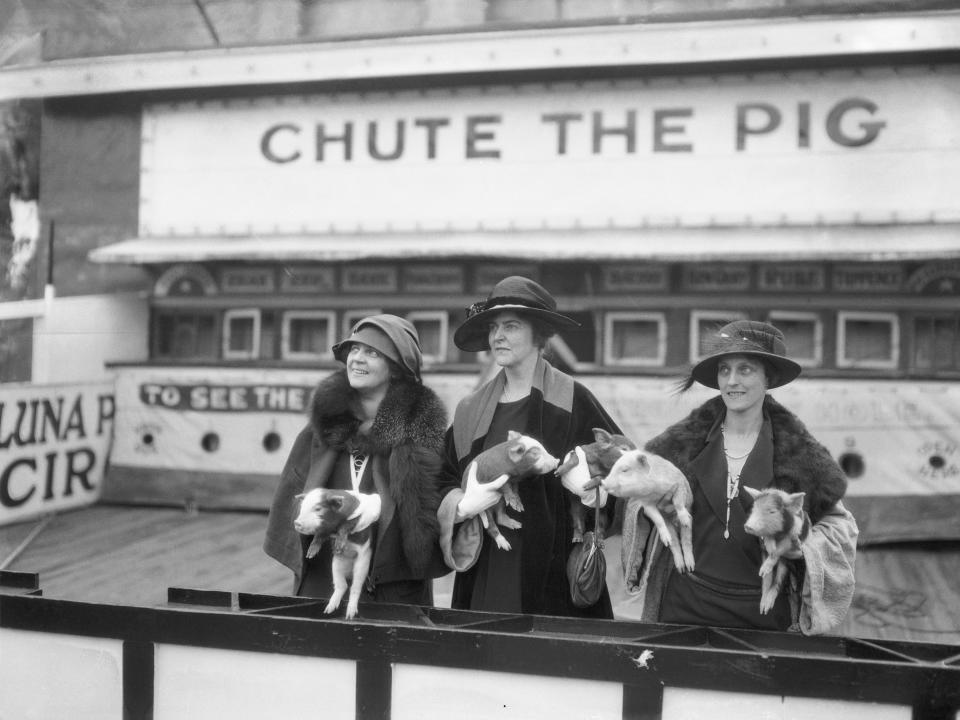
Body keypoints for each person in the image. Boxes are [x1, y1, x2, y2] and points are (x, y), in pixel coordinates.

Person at [620, 319, 858, 634]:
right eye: (724, 370)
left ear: (768, 378)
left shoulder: (801, 457)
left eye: (745, 370)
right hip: (684, 606)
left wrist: (805, 548)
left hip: (763, 614)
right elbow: (635, 499)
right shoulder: (679, 446)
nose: (732, 381)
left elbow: (841, 527)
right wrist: (650, 506)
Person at [436, 276, 622, 618]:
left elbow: (622, 464)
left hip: (552, 572)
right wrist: (460, 507)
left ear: (539, 334)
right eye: (493, 327)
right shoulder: (469, 409)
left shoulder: (572, 398)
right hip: (486, 569)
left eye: (511, 326)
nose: (498, 336)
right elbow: (441, 480)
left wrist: (596, 495)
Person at [263, 314, 449, 606]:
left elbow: (435, 517)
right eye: (354, 350)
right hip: (325, 585)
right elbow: (290, 506)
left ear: (398, 369)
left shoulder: (421, 439)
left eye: (372, 352)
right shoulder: (318, 433)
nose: (357, 359)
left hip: (392, 593)